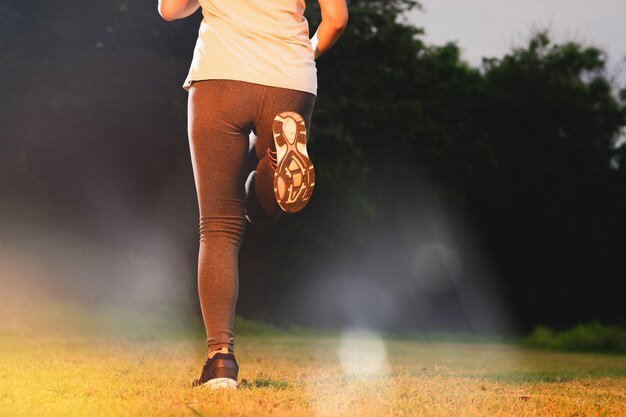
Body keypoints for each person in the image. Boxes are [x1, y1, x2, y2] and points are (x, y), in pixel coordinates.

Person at [157, 0, 348, 389]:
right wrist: (306, 51)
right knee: (261, 209)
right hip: (290, 77)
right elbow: (337, 20)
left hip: (221, 75)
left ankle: (221, 361)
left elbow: (170, 9)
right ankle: (276, 158)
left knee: (219, 227)